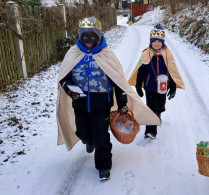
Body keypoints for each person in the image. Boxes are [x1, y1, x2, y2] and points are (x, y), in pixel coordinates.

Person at [56, 17, 161, 181]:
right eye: (85, 36)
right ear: (80, 36)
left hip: (102, 104)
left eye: (92, 37)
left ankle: (103, 166)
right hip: (80, 103)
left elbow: (118, 80)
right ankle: (87, 140)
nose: (89, 41)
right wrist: (70, 90)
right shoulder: (73, 53)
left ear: (99, 37)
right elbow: (63, 77)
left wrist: (123, 103)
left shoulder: (107, 54)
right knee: (83, 132)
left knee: (102, 137)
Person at [128, 23, 185, 139]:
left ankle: (157, 115)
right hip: (149, 86)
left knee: (160, 105)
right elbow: (140, 70)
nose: (157, 44)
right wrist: (138, 85)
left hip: (163, 87)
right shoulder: (146, 54)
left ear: (163, 42)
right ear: (150, 42)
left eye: (159, 41)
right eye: (154, 41)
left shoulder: (167, 54)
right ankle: (150, 131)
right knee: (151, 108)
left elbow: (172, 71)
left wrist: (173, 86)